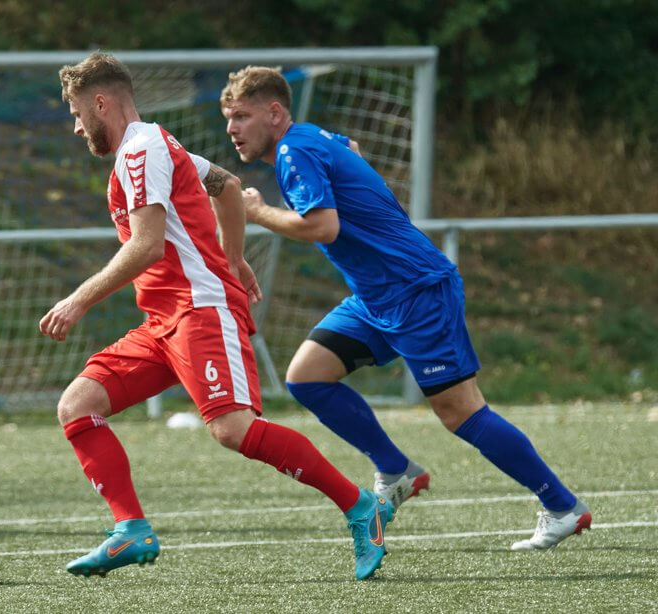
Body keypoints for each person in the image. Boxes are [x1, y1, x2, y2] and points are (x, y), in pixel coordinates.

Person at [41, 51, 394, 582]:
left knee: (232, 430)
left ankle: (358, 505)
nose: (75, 126)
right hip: (163, 322)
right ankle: (130, 529)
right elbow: (227, 185)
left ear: (100, 102)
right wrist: (233, 257)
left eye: (75, 112)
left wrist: (79, 298)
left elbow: (147, 246)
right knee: (78, 405)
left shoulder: (141, 150)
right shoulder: (156, 144)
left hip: (199, 311)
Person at [218, 66, 591, 551]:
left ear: (274, 112)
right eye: (229, 118)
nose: (232, 129)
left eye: (242, 116)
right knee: (307, 376)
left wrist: (257, 210)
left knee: (460, 412)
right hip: (377, 296)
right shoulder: (311, 138)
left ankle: (562, 505)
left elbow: (323, 227)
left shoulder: (294, 149)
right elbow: (350, 151)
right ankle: (396, 470)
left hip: (414, 290)